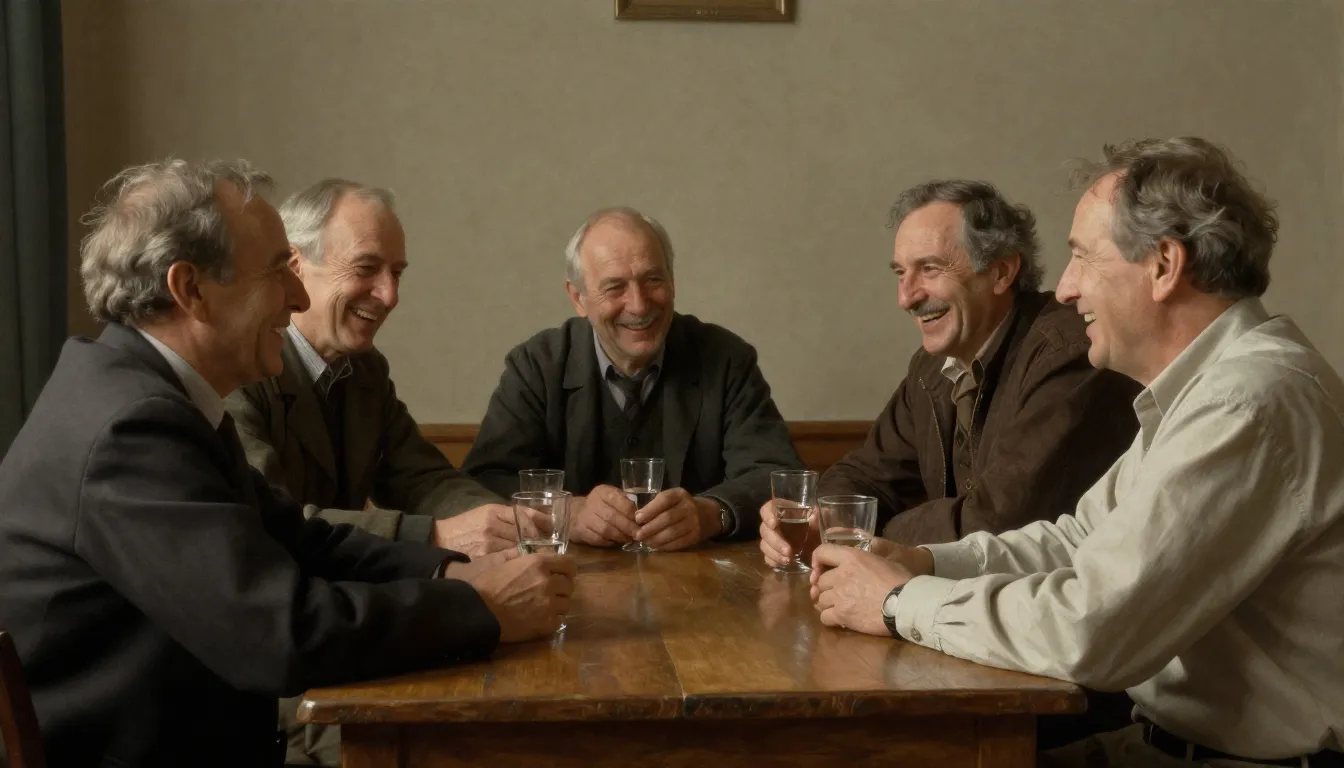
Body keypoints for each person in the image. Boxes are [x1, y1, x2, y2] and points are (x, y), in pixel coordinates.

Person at [0, 159, 575, 768]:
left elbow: (300, 539)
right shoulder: (132, 427)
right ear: (190, 289)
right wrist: (479, 609)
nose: (298, 295)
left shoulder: (152, 394)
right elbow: (278, 634)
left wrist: (453, 572)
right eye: (278, 271)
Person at [810, 138, 1344, 767]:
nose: (1064, 288)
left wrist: (898, 602)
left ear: (1164, 265)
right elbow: (1077, 539)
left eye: (1084, 258)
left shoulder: (1246, 401)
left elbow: (1092, 630)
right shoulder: (1207, 389)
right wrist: (925, 561)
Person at [224, 178, 524, 765]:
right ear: (296, 267)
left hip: (354, 624)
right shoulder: (240, 372)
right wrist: (437, 536)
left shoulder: (364, 369)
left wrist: (500, 521)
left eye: (397, 273)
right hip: (278, 664)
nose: (389, 295)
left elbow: (421, 477)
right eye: (367, 269)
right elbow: (278, 526)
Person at [760, 180, 1139, 562]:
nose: (906, 298)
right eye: (901, 273)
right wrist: (816, 519)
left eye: (929, 268)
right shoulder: (931, 367)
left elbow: (998, 524)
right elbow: (864, 475)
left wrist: (862, 530)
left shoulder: (1069, 353)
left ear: (1001, 272)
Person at [462, 207, 802, 551]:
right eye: (615, 287)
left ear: (672, 281)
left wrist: (713, 513)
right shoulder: (536, 366)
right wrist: (567, 512)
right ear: (578, 298)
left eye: (653, 280)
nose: (639, 306)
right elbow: (484, 481)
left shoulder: (726, 359)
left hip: (702, 575)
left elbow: (776, 476)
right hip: (568, 578)